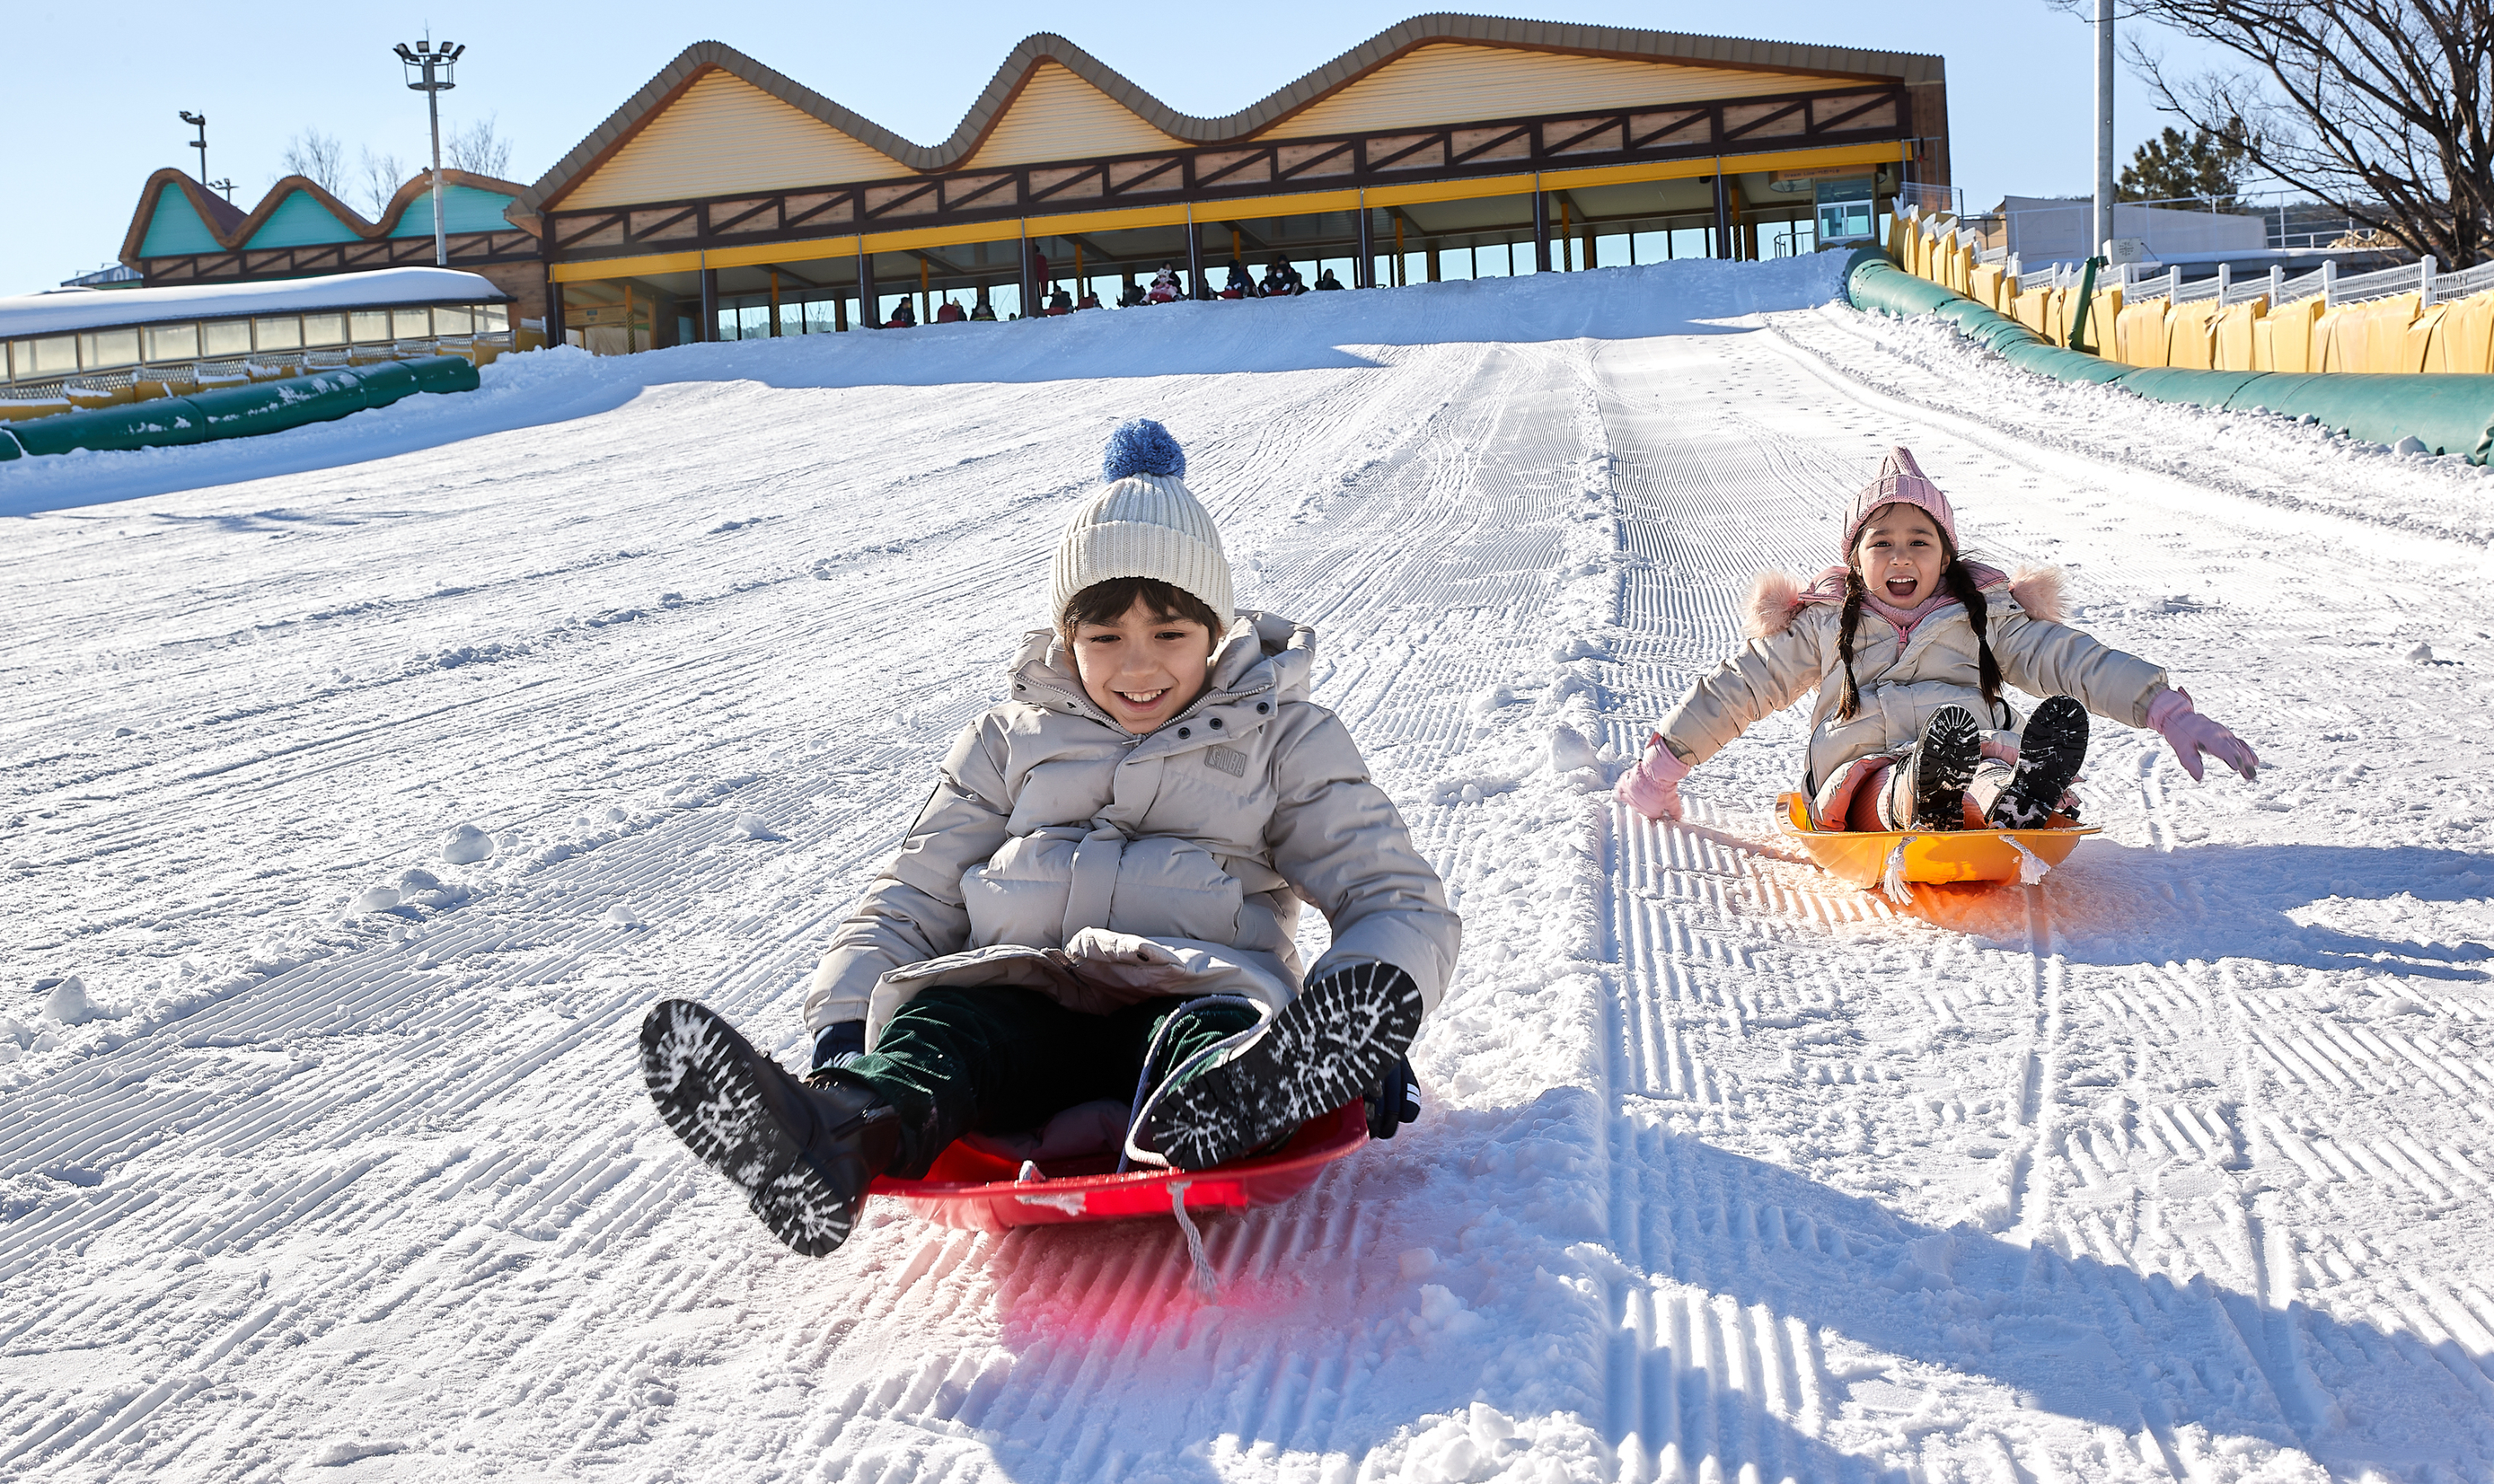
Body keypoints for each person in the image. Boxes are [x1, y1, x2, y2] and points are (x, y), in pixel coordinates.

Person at [640, 420, 1458, 1256]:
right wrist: (847, 1020)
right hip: (1023, 1004)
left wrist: (1366, 1017)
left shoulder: (1281, 737)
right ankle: (841, 1130)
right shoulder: (1006, 739)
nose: (1138, 668)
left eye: (1170, 634)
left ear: (1215, 630)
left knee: (1213, 1035)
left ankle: (1250, 1095)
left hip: (1193, 992)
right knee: (943, 1029)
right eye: (1105, 636)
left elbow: (1391, 896)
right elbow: (911, 893)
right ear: (1069, 636)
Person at [1615, 445, 2258, 834]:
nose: (1902, 558)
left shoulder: (1984, 617)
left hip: (1971, 746)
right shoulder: (1822, 622)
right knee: (1886, 786)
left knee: (1982, 767)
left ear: (1945, 555)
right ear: (1855, 558)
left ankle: (2013, 798)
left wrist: (2164, 708)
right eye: (1882, 544)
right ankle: (1941, 791)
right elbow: (1740, 689)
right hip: (1858, 767)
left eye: (1920, 542)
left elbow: (2070, 660)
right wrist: (1663, 764)